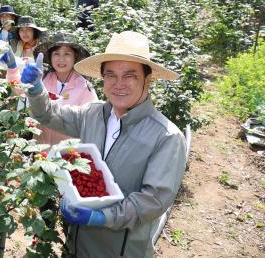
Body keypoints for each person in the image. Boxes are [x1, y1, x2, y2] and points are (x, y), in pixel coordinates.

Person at [13, 31, 186, 257]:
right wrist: (36, 90)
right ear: (103, 78)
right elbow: (49, 115)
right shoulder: (92, 114)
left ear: (148, 79)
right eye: (111, 75)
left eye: (130, 75)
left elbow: (152, 200)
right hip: (76, 244)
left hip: (118, 250)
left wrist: (101, 217)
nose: (119, 84)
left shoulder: (166, 137)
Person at [33, 32, 97, 145]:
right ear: (50, 57)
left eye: (67, 54)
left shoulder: (84, 87)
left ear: (75, 57)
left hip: (69, 155)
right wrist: (12, 69)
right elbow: (25, 101)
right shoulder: (43, 80)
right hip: (40, 152)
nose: (61, 59)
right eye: (56, 54)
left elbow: (91, 121)